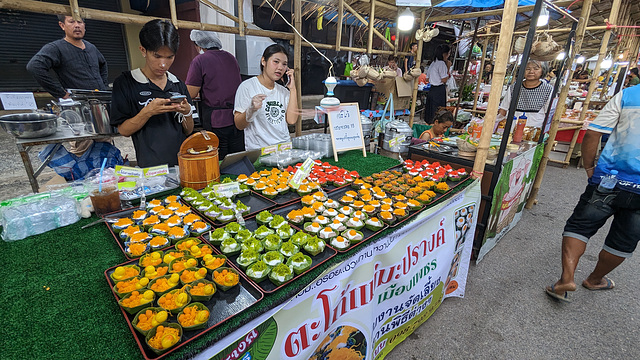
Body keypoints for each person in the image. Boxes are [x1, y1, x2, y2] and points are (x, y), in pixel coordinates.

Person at [545, 83, 640, 303]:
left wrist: (590, 168)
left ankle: (566, 278)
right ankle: (595, 279)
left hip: (610, 179)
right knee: (624, 239)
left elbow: (594, 133)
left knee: (580, 226)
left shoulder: (629, 94)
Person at [110, 19, 194, 167]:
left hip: (182, 164)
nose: (163, 64)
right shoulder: (125, 83)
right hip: (150, 168)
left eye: (169, 57)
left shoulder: (177, 84)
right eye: (157, 56)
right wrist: (147, 112)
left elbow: (188, 130)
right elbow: (124, 130)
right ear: (143, 50)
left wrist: (187, 113)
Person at [27, 14, 109, 156]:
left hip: (99, 106)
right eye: (71, 22)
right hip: (77, 108)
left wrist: (103, 87)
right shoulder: (56, 48)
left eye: (80, 22)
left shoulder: (91, 47)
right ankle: (82, 176)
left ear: (84, 25)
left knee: (105, 144)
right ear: (62, 25)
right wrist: (61, 93)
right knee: (82, 147)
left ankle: (107, 173)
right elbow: (34, 67)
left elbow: (103, 64)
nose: (77, 25)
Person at [186, 30, 243, 159]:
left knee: (219, 161)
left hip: (216, 121)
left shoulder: (199, 60)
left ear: (198, 45)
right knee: (236, 159)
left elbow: (191, 93)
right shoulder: (231, 57)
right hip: (236, 118)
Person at [234, 44, 298, 151]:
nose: (280, 67)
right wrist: (251, 110)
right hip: (260, 152)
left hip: (284, 149)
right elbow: (239, 125)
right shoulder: (247, 87)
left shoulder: (284, 92)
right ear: (263, 61)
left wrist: (293, 89)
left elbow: (292, 120)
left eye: (284, 64)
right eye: (276, 62)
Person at [498, 60, 553, 128]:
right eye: (527, 69)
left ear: (542, 71)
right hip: (512, 127)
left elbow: (550, 113)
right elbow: (503, 109)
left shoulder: (548, 90)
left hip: (535, 128)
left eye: (536, 69)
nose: (531, 72)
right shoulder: (514, 87)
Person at [424, 44, 451, 124]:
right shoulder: (441, 64)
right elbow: (444, 79)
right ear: (444, 54)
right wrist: (448, 68)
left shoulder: (433, 63)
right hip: (439, 90)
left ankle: (429, 124)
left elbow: (427, 78)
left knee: (431, 110)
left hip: (432, 89)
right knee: (438, 111)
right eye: (448, 54)